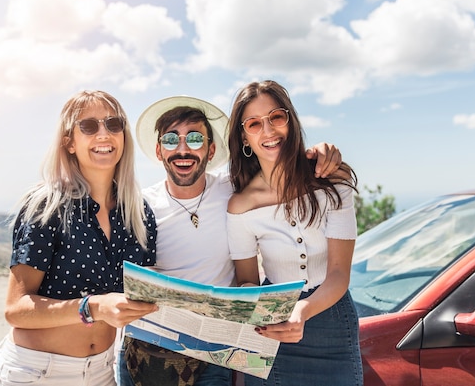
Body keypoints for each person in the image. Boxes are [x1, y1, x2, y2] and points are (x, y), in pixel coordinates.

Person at [117, 96, 343, 386]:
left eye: (195, 138)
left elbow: (277, 168)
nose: (183, 149)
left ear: (211, 150)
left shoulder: (234, 190)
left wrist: (318, 154)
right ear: (159, 151)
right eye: (171, 140)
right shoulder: (138, 206)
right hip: (150, 355)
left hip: (215, 354)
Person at [0, 90, 158, 386]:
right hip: (36, 372)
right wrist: (94, 306)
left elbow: (144, 293)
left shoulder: (139, 212)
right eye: (89, 126)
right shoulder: (47, 205)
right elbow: (16, 310)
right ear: (69, 142)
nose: (104, 134)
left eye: (113, 124)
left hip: (102, 373)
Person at [226, 80, 362, 386]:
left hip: (332, 322)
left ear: (291, 121)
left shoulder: (332, 181)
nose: (269, 131)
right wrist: (259, 308)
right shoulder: (240, 206)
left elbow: (339, 274)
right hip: (271, 326)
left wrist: (304, 309)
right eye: (254, 124)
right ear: (244, 138)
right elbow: (246, 278)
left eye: (276, 117)